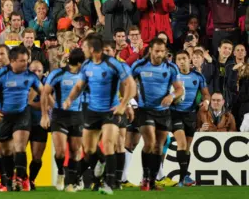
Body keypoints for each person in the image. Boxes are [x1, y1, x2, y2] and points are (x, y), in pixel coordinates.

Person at [63, 35, 136, 195]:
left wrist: (124, 104)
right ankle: (101, 161)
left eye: (84, 48)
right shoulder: (87, 65)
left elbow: (131, 85)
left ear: (91, 49)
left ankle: (109, 184)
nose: (82, 50)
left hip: (110, 110)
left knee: (109, 143)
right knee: (89, 149)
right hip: (91, 111)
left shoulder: (113, 64)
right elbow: (79, 86)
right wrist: (69, 99)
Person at [0, 45, 43, 191]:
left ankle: (21, 179)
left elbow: (43, 91)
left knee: (20, 147)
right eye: (22, 61)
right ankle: (9, 179)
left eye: (26, 60)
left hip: (22, 114)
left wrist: (47, 112)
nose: (26, 63)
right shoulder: (1, 75)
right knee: (6, 152)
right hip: (3, 116)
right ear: (13, 61)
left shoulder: (30, 75)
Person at [131, 38, 183, 191]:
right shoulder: (139, 66)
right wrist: (131, 100)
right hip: (144, 109)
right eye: (156, 51)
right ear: (150, 51)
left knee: (159, 147)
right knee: (150, 142)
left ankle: (152, 182)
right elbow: (126, 83)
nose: (159, 54)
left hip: (163, 112)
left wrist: (171, 96)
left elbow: (179, 89)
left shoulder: (171, 68)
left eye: (162, 51)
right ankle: (145, 178)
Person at [40, 48, 86, 192]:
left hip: (77, 115)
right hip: (59, 115)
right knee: (60, 152)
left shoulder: (85, 76)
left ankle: (71, 182)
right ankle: (61, 172)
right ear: (79, 63)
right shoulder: (58, 73)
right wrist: (45, 115)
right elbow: (45, 93)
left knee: (74, 151)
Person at [172, 50, 211, 186]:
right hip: (175, 113)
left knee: (187, 148)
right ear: (176, 62)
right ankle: (183, 179)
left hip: (191, 114)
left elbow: (206, 94)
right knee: (181, 143)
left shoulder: (198, 76)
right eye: (179, 59)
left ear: (189, 59)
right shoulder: (173, 76)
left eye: (184, 58)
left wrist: (205, 102)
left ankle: (183, 178)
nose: (182, 61)